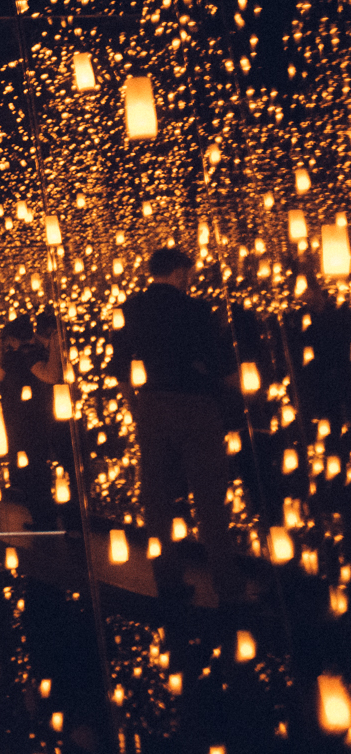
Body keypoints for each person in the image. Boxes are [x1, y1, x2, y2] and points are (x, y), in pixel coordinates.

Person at [112, 247, 243, 606]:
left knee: (157, 500)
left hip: (152, 406)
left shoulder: (128, 310)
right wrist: (238, 393)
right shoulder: (197, 310)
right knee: (209, 499)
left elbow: (120, 367)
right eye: (191, 272)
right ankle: (226, 587)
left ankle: (167, 581)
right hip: (195, 407)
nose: (193, 278)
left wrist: (136, 406)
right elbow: (221, 364)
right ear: (180, 271)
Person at [0, 317, 59, 530]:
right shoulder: (29, 354)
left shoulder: (26, 357)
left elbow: (49, 376)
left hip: (25, 422)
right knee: (36, 468)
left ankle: (43, 517)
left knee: (34, 470)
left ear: (12, 338)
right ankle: (43, 516)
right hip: (31, 419)